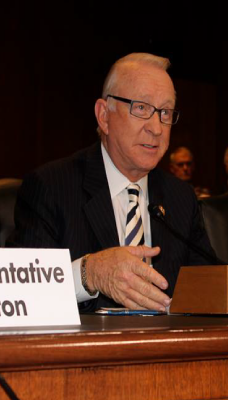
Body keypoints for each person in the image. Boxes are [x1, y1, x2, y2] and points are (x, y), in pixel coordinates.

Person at [7, 53, 215, 313]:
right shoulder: (51, 187)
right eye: (141, 108)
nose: (157, 128)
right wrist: (89, 274)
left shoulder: (180, 197)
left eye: (165, 112)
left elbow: (210, 291)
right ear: (104, 116)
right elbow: (21, 293)